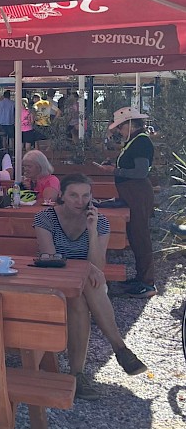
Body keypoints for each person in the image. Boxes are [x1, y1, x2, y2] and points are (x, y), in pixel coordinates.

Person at [34, 174, 147, 399]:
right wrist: (83, 269)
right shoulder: (45, 218)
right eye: (73, 195)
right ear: (62, 196)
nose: (80, 200)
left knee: (79, 297)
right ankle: (119, 349)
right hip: (53, 280)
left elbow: (98, 265)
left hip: (84, 285)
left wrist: (92, 231)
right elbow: (50, 258)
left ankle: (78, 374)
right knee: (83, 285)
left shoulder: (100, 221)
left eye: (86, 195)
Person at [108, 107, 156, 298]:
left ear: (130, 124)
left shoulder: (141, 142)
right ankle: (141, 278)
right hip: (131, 193)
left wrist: (115, 171)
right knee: (135, 237)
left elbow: (141, 172)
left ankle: (147, 282)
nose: (119, 131)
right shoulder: (136, 141)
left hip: (138, 193)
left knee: (141, 237)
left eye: (120, 127)